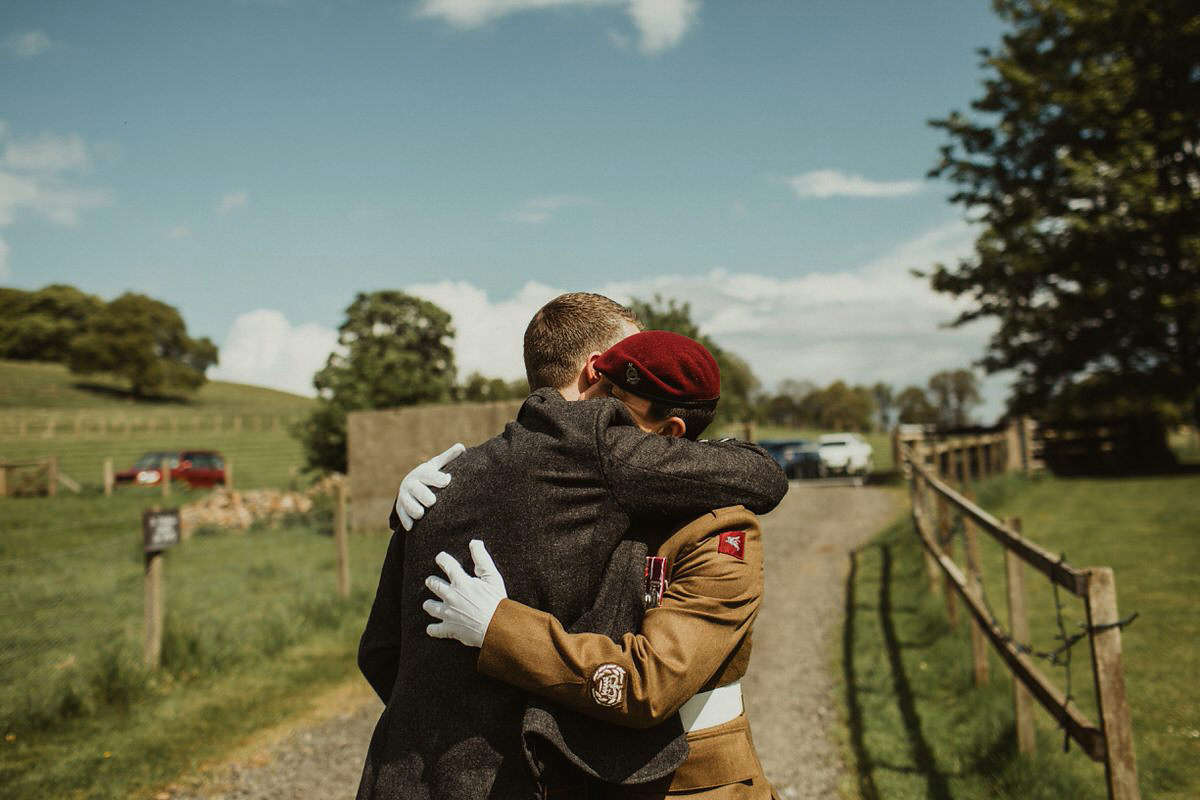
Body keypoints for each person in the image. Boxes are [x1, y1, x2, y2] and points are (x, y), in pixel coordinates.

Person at [356, 293, 787, 799]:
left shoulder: (444, 484)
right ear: (593, 372)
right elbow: (764, 475)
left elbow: (383, 652)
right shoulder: (602, 465)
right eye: (630, 359)